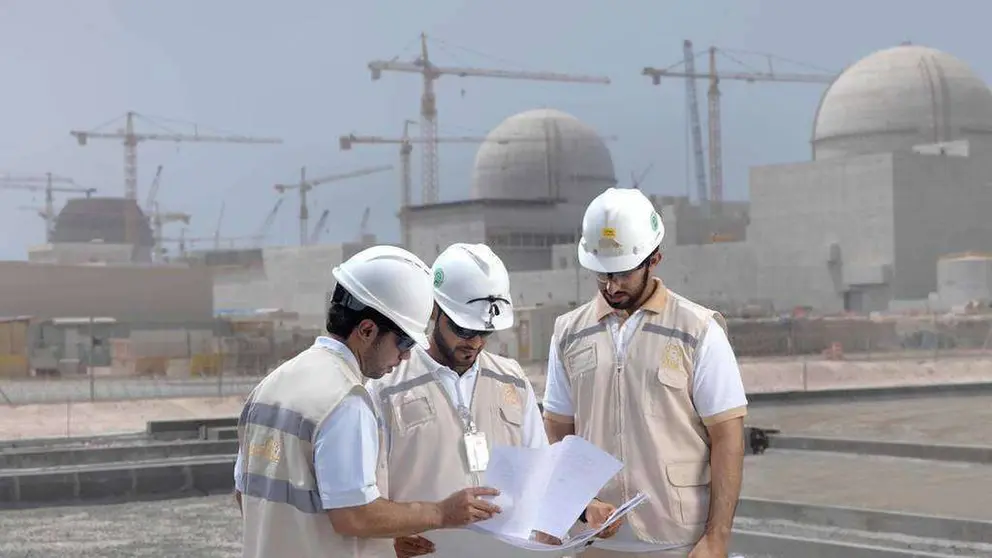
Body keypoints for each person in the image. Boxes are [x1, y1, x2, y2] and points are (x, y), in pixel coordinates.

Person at [233, 245, 503, 558]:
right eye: (403, 342)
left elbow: (245, 496)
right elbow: (355, 515)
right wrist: (443, 513)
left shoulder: (271, 385)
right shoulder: (345, 400)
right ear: (367, 330)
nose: (405, 356)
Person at [369, 243, 620, 558]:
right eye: (462, 329)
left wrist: (586, 509)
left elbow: (540, 469)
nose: (474, 343)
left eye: (483, 332)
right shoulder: (387, 388)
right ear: (435, 310)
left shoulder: (511, 379)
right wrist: (388, 539)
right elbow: (366, 498)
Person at [542, 188, 748, 558]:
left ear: (654, 259)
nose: (611, 286)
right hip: (595, 540)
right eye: (601, 274)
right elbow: (558, 432)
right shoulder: (569, 333)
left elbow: (728, 438)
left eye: (621, 273)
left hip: (678, 540)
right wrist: (580, 504)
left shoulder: (697, 331)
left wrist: (717, 538)